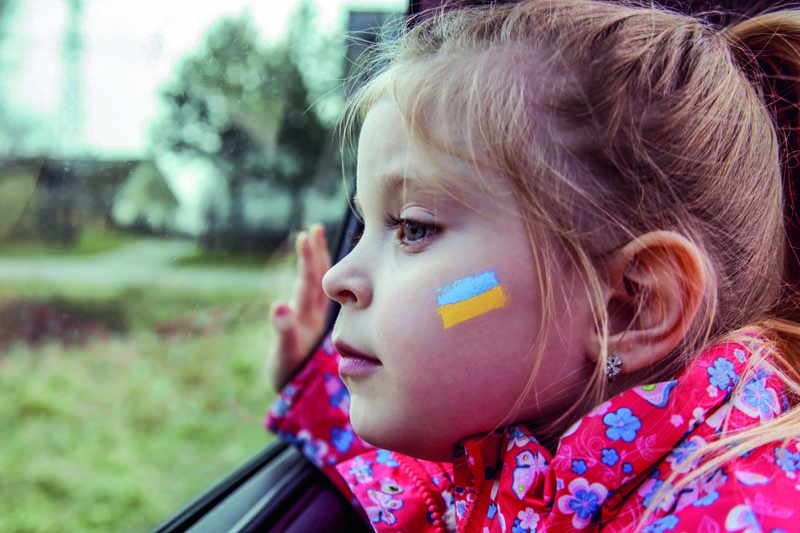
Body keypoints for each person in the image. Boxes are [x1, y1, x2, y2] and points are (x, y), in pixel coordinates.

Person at [266, 0, 800, 531]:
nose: (338, 278)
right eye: (364, 225)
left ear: (630, 305)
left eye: (413, 227)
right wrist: (313, 380)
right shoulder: (520, 450)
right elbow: (420, 492)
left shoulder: (738, 518)